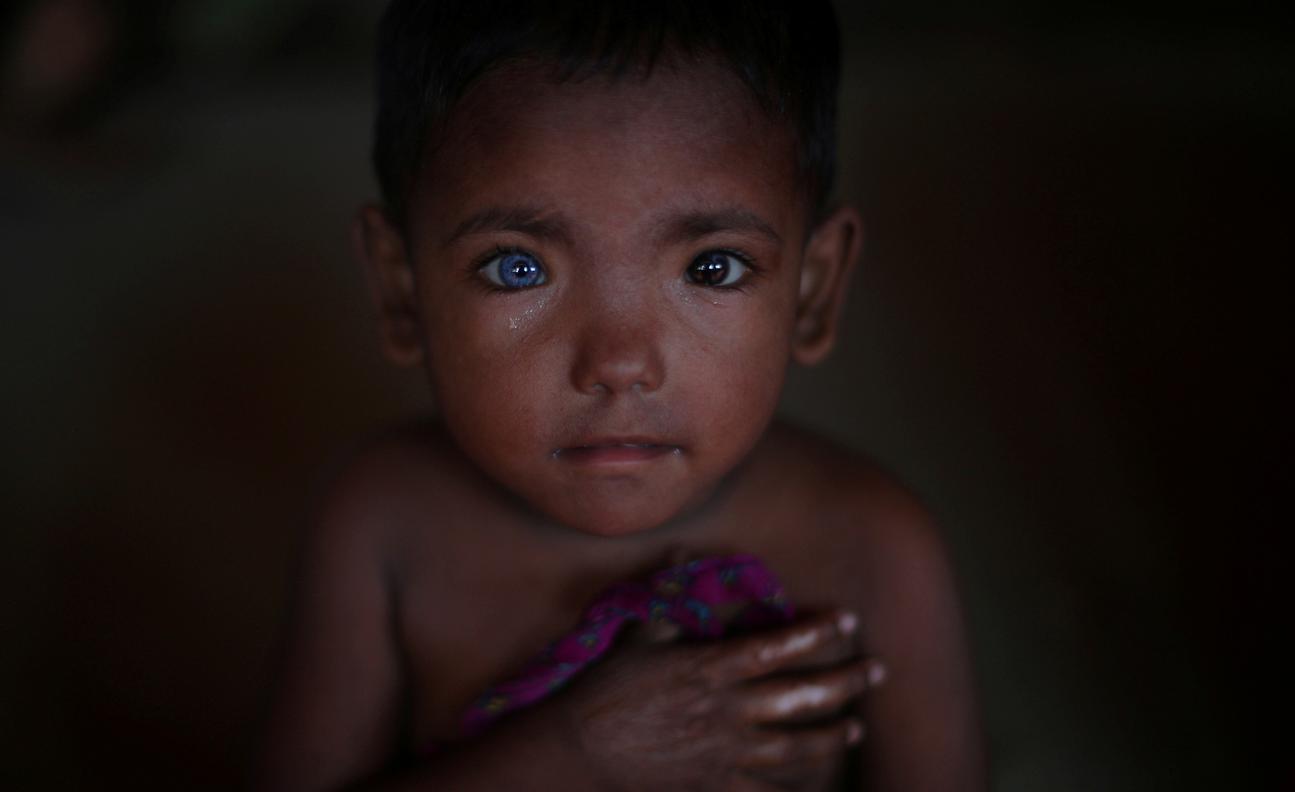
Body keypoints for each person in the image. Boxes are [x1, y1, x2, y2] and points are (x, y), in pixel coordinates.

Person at [256, 1, 984, 789]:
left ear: (813, 291)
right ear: (402, 291)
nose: (618, 362)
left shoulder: (872, 543)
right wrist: (574, 750)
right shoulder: (383, 522)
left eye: (712, 268)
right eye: (517, 268)